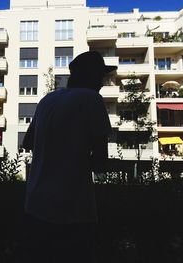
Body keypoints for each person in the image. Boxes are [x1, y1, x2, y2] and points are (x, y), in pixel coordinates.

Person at [21, 51, 117, 262]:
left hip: (35, 204)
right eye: (101, 76)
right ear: (91, 76)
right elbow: (101, 160)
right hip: (72, 210)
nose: (102, 82)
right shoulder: (92, 99)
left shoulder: (47, 100)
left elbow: (28, 143)